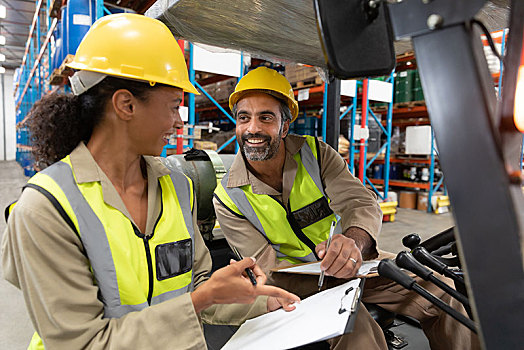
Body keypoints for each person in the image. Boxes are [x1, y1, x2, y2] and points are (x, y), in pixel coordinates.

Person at [1, 15, 299, 350]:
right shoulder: (46, 209)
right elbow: (83, 343)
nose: (178, 120)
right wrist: (199, 301)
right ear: (126, 105)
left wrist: (261, 302)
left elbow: (198, 284)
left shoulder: (177, 185)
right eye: (173, 106)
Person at [213, 67, 480, 349]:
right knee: (354, 325)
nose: (253, 128)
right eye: (244, 118)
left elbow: (359, 201)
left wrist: (354, 243)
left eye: (265, 117)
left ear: (285, 125)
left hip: (355, 264)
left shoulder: (315, 153)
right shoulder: (227, 198)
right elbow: (267, 268)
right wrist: (327, 278)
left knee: (440, 289)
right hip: (298, 283)